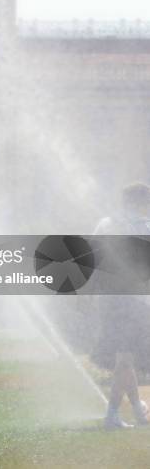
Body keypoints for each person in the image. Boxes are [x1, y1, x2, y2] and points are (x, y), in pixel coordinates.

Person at [93, 183, 150, 429]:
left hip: (110, 300)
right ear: (142, 202)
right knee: (125, 360)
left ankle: (138, 409)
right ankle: (112, 415)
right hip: (134, 302)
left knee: (124, 358)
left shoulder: (107, 223)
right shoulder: (145, 226)